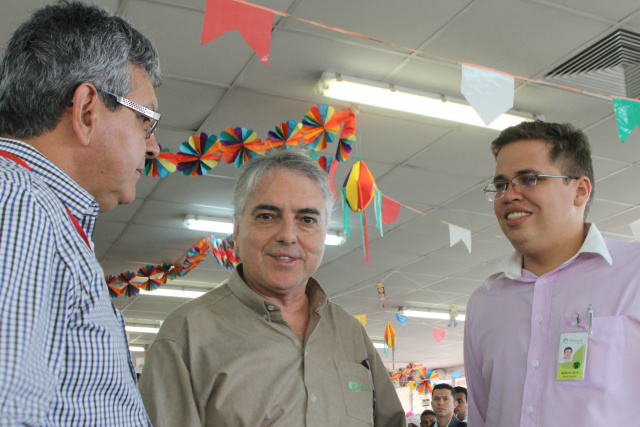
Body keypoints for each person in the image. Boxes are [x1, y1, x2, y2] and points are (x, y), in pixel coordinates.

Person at [138, 149, 405, 427]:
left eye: (307, 220)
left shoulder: (350, 333)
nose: (287, 235)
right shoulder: (187, 335)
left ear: (324, 233)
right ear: (238, 230)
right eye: (267, 216)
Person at [0, 2, 161, 425]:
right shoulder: (22, 206)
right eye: (146, 121)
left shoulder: (41, 212)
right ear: (87, 109)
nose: (153, 146)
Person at [464, 120, 640, 426]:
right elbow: (480, 415)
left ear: (580, 191)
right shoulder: (486, 302)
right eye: (502, 184)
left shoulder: (633, 274)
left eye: (529, 178)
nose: (509, 195)